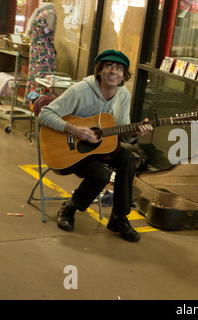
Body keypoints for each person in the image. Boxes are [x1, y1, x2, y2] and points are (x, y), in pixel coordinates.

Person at [39, 49, 153, 242]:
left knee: (127, 158)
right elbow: (44, 114)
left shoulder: (123, 95)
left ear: (124, 75)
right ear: (99, 71)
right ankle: (70, 208)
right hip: (70, 151)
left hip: (99, 149)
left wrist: (134, 132)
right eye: (108, 66)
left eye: (119, 68)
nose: (113, 72)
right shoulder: (80, 91)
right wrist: (74, 130)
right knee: (101, 174)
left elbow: (123, 133)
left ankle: (119, 217)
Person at [25, 1, 57, 106]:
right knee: (34, 78)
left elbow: (49, 31)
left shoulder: (50, 13)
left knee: (42, 79)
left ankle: (41, 105)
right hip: (36, 52)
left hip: (44, 53)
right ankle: (33, 104)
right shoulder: (39, 11)